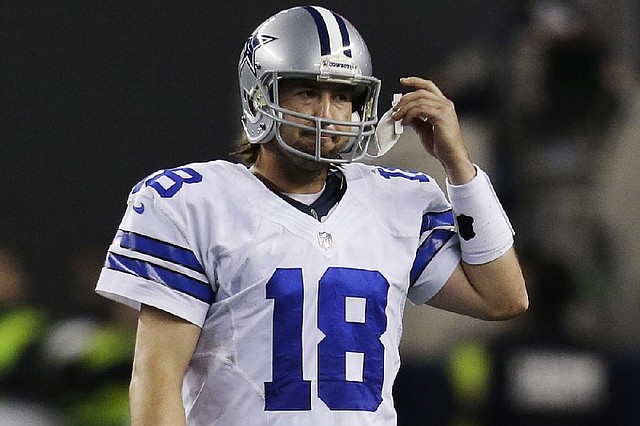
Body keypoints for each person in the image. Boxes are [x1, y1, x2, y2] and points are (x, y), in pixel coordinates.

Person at [95, 5, 528, 425]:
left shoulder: (395, 201)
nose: (327, 113)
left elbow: (503, 298)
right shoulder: (194, 204)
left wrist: (460, 168)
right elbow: (157, 377)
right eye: (308, 92)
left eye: (341, 96)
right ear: (259, 96)